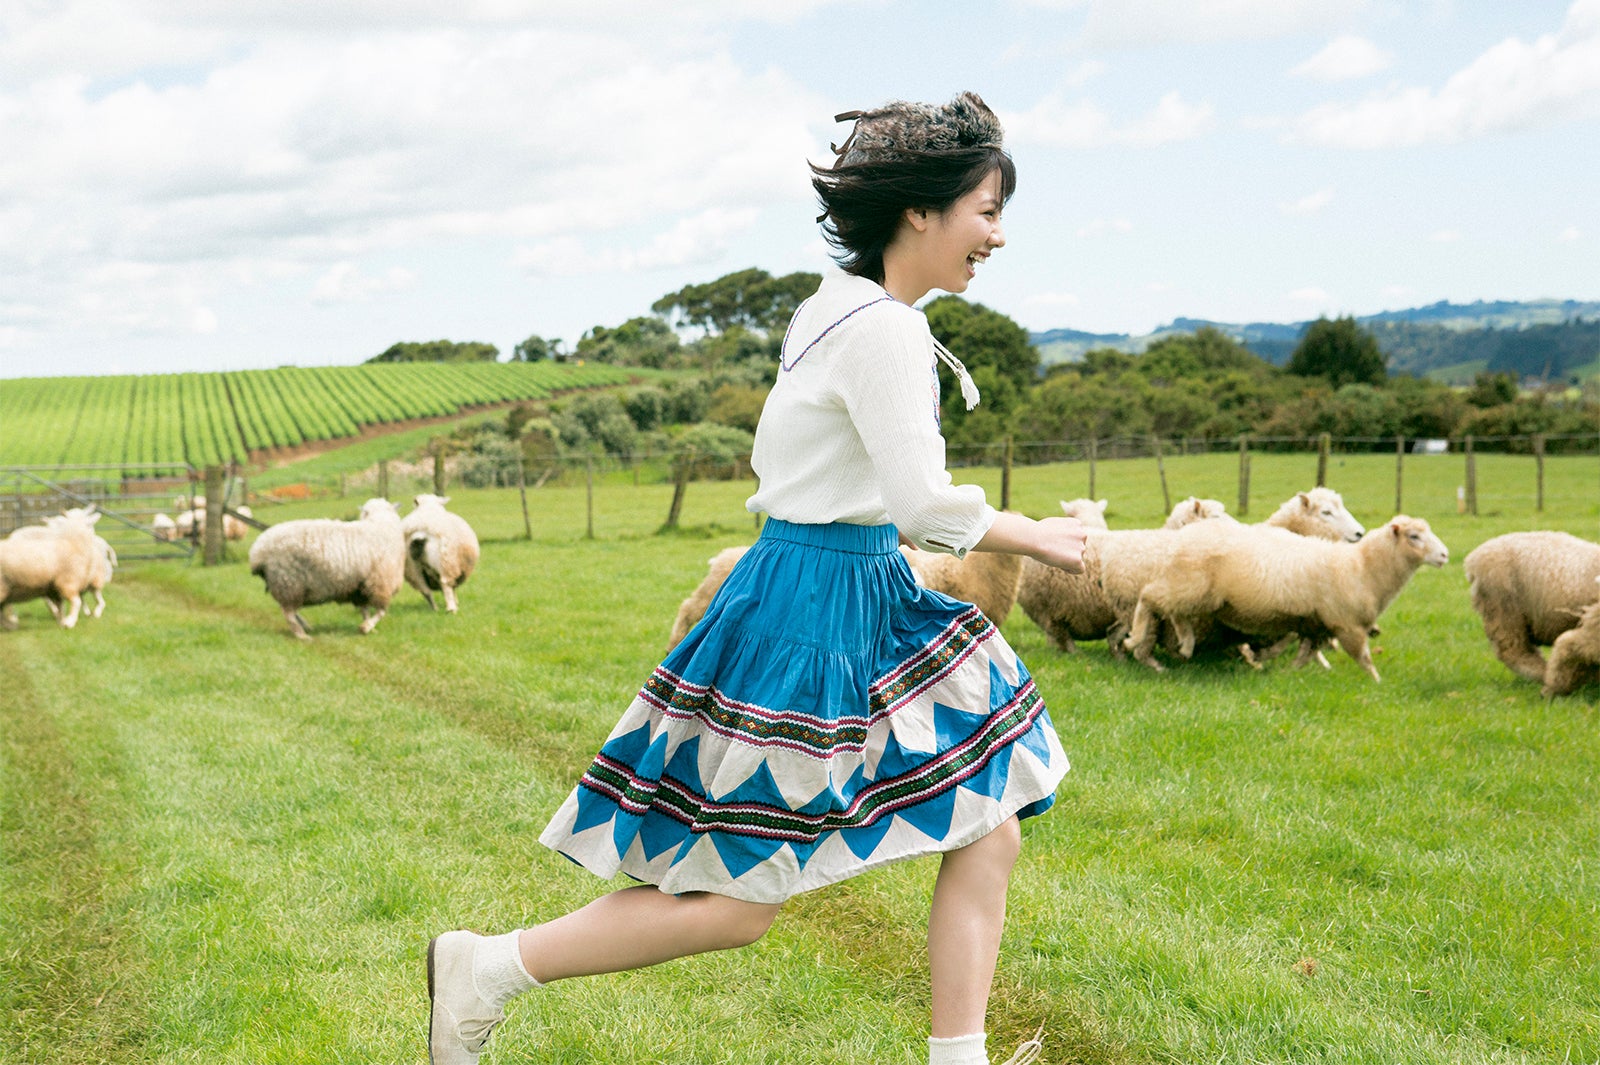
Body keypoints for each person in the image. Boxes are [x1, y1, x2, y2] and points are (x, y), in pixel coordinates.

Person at [427, 91, 1088, 1065]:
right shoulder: (885, 329)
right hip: (814, 607)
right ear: (921, 209)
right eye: (986, 210)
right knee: (737, 901)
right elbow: (918, 501)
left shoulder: (833, 310)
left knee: (987, 819)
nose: (996, 235)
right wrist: (1041, 538)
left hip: (848, 589)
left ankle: (959, 1060)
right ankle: (484, 969)